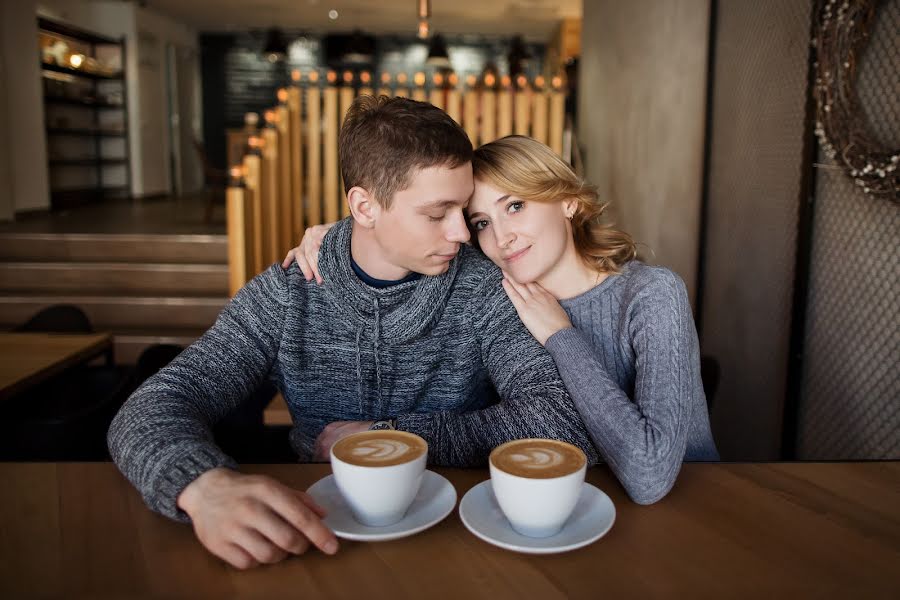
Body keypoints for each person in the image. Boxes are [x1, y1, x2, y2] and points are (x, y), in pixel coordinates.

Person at [108, 99, 598, 570]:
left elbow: (558, 420)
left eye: (464, 210)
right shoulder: (287, 293)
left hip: (456, 538)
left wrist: (397, 436)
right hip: (313, 531)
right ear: (364, 206)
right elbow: (153, 407)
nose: (464, 235)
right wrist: (202, 485)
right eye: (436, 213)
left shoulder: (484, 287)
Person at [284, 135, 719, 506]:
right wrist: (337, 236)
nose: (501, 237)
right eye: (481, 222)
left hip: (694, 507)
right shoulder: (494, 292)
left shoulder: (651, 293)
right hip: (554, 504)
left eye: (515, 206)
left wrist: (560, 335)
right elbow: (404, 225)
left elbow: (650, 476)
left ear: (567, 200)